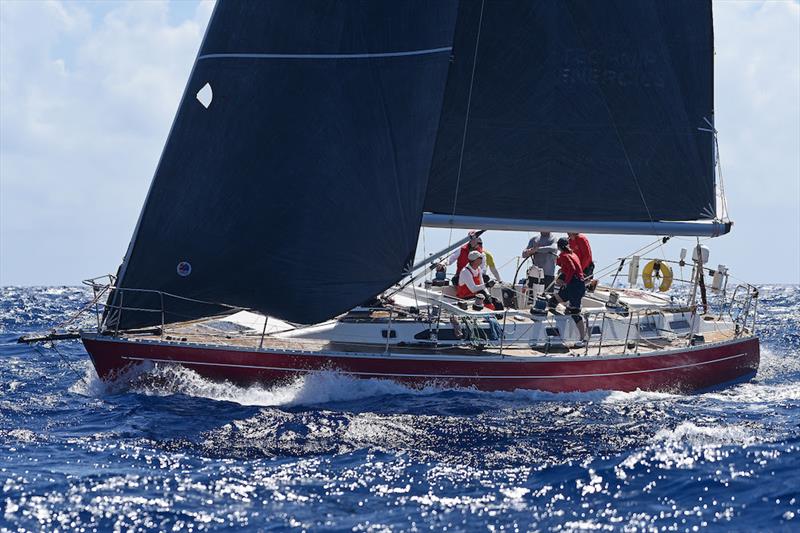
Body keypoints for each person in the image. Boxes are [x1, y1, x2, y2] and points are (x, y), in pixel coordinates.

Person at [552, 237, 587, 348]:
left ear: (559, 247)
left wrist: (565, 282)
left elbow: (571, 269)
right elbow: (570, 267)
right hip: (577, 284)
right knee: (554, 300)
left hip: (574, 285)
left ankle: (583, 339)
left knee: (575, 312)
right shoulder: (573, 254)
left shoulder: (564, 256)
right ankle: (557, 332)